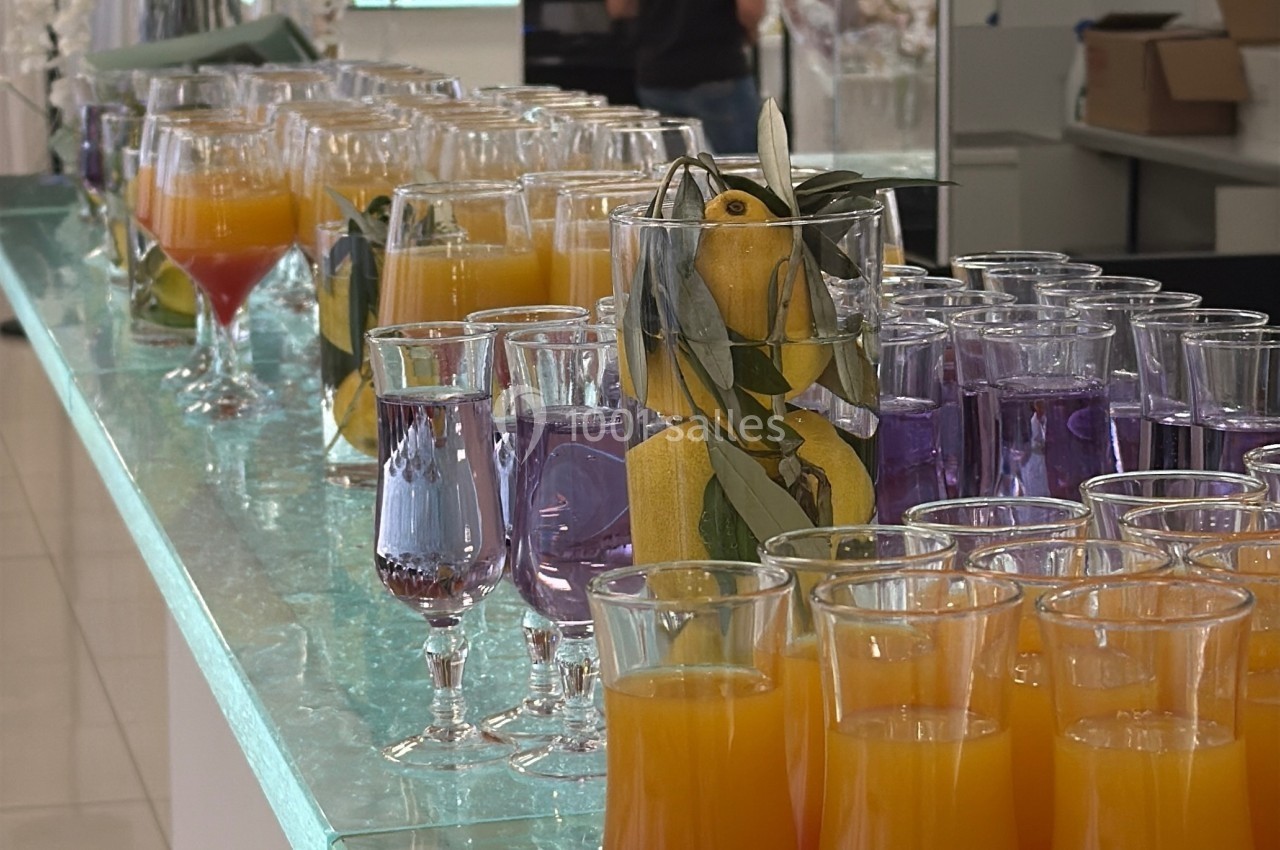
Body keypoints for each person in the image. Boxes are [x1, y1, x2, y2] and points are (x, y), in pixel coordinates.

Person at [606, 0, 764, 155]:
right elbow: (749, 9)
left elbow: (620, 8)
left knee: (674, 172)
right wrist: (751, 33)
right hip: (716, 66)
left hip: (657, 72)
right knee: (742, 171)